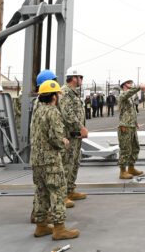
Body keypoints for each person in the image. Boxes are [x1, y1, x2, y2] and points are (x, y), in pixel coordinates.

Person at [30, 79, 80, 241]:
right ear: (53, 96)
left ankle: (41, 225)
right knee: (58, 192)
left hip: (37, 160)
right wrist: (64, 142)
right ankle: (59, 229)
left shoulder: (37, 110)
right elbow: (56, 138)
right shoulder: (53, 112)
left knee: (41, 192)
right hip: (51, 160)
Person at [59, 66, 89, 207]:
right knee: (66, 165)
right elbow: (68, 114)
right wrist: (81, 127)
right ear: (73, 78)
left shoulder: (73, 93)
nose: (81, 80)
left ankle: (70, 190)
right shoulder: (65, 92)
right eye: (80, 77)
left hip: (75, 136)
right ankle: (62, 195)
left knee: (74, 163)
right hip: (69, 136)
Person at [117, 79, 143, 180]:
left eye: (131, 83)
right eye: (129, 83)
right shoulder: (122, 95)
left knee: (135, 147)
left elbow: (132, 111)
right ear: (124, 85)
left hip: (131, 125)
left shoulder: (130, 97)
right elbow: (129, 93)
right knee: (125, 149)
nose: (131, 85)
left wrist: (136, 123)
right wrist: (139, 87)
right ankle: (122, 171)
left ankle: (131, 168)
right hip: (125, 126)